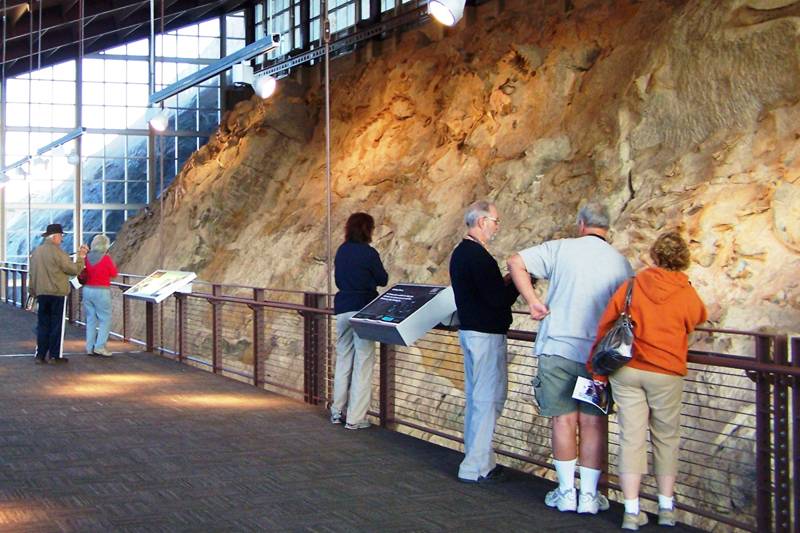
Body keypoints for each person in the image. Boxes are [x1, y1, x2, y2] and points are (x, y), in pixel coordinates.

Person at [507, 201, 632, 513]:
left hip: (558, 348)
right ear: (607, 227)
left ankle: (565, 492)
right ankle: (589, 497)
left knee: (563, 420)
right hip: (597, 356)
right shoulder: (620, 263)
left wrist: (534, 301)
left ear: (581, 223)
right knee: (593, 424)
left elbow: (515, 261)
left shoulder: (561, 248)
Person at [589, 231, 706, 530]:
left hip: (628, 371)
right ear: (683, 259)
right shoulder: (686, 291)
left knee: (631, 438)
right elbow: (697, 317)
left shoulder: (633, 285)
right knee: (666, 438)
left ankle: (631, 511)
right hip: (666, 372)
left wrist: (597, 370)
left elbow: (606, 324)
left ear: (654, 255)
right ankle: (666, 507)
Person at [449, 201, 519, 483]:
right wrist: (518, 280)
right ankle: (475, 465)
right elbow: (497, 300)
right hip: (486, 334)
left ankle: (480, 459)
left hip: (471, 331)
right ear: (481, 221)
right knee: (488, 399)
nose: (497, 227)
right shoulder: (479, 257)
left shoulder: (461, 254)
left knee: (479, 397)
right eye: (495, 221)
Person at [330, 213, 389, 430]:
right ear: (368, 229)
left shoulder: (342, 250)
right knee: (363, 362)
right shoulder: (369, 253)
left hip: (343, 307)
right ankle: (355, 418)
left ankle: (337, 411)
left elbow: (337, 279)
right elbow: (383, 279)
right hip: (364, 309)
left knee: (343, 359)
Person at [29, 223, 88, 364]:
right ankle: (55, 356)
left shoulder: (36, 252)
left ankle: (40, 355)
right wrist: (81, 257)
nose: (62, 239)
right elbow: (73, 270)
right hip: (57, 294)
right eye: (61, 236)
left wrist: (32, 292)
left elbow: (32, 274)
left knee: (43, 324)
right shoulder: (59, 252)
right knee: (56, 324)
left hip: (41, 293)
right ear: (55, 237)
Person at [83, 234, 119, 357]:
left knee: (91, 319)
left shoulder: (87, 258)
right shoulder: (106, 258)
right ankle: (100, 347)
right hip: (101, 291)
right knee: (105, 319)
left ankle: (89, 347)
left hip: (87, 290)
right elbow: (113, 273)